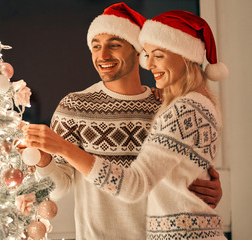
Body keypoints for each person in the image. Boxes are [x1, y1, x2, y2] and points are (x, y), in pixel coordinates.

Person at [23, 4, 224, 239]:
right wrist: (45, 160)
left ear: (138, 52)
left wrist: (210, 188)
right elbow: (58, 189)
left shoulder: (164, 106)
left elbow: (178, 175)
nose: (103, 55)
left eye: (114, 45)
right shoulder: (75, 106)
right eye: (96, 46)